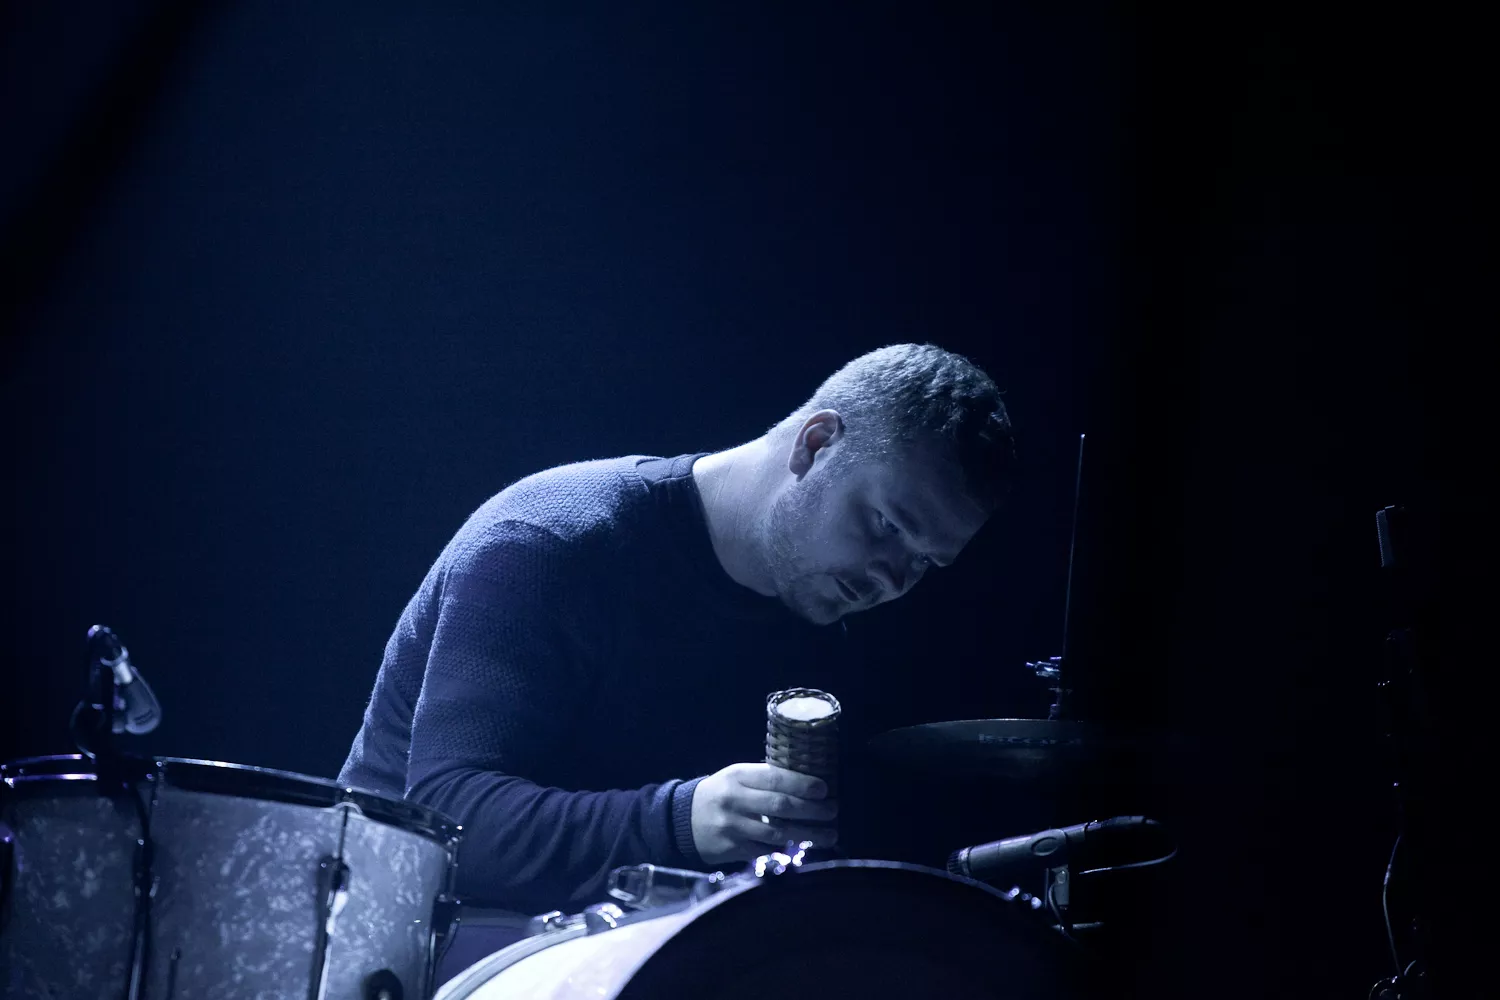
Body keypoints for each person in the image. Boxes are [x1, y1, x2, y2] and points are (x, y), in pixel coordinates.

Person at [337, 343, 1015, 966]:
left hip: (623, 962)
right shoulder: (549, 543)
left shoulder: (817, 617)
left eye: (924, 562)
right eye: (887, 525)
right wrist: (681, 819)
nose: (892, 579)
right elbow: (447, 822)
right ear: (815, 444)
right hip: (411, 948)